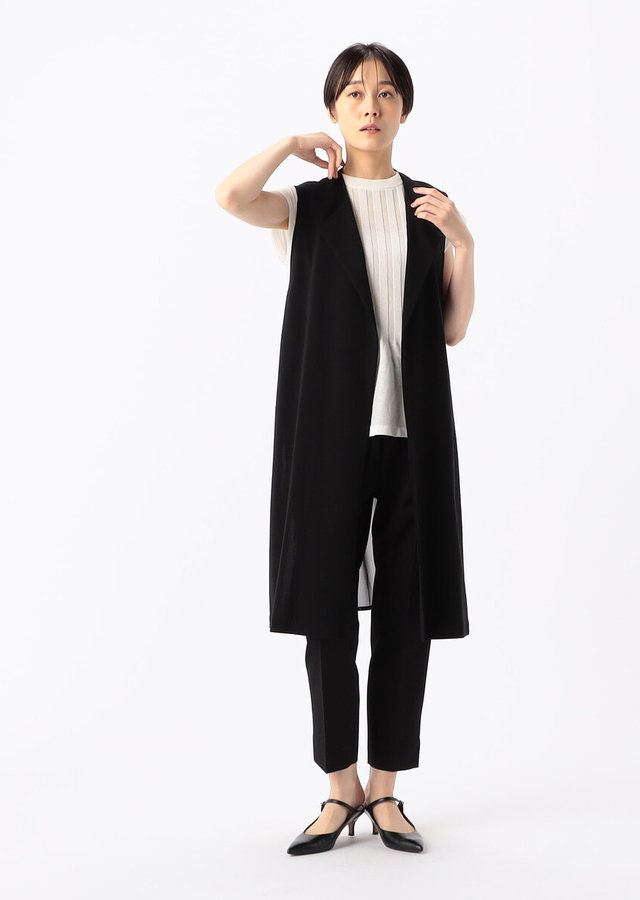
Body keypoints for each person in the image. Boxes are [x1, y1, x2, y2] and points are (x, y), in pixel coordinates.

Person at [215, 42, 474, 855]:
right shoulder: (311, 205)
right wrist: (291, 146)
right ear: (334, 109)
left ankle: (387, 791)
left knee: (408, 611)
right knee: (326, 611)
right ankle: (340, 788)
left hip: (412, 436)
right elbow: (230, 197)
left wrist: (463, 243)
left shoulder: (429, 207)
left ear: (405, 110)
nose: (370, 106)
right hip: (329, 435)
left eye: (386, 93)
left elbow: (451, 329)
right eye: (355, 93)